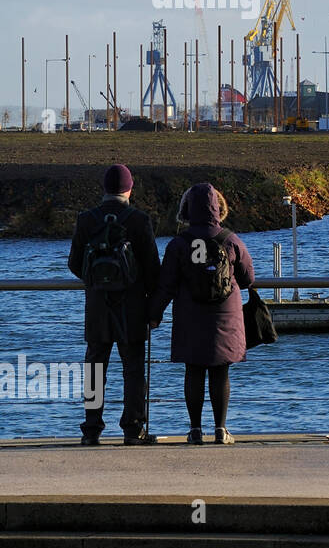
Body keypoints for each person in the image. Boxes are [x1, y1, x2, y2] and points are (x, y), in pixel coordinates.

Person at [149, 182, 254, 445]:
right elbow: (248, 277)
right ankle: (221, 429)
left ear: (187, 209)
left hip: (190, 314)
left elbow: (166, 285)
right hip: (224, 315)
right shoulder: (230, 239)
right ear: (218, 208)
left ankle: (195, 429)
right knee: (220, 372)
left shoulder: (179, 244)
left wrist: (154, 314)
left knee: (193, 371)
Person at [67, 164, 161, 446]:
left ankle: (91, 429)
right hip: (131, 307)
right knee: (133, 369)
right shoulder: (139, 220)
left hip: (96, 307)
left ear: (104, 189)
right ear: (129, 189)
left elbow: (74, 264)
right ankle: (133, 429)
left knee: (95, 368)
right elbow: (153, 270)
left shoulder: (86, 219)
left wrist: (97, 283)